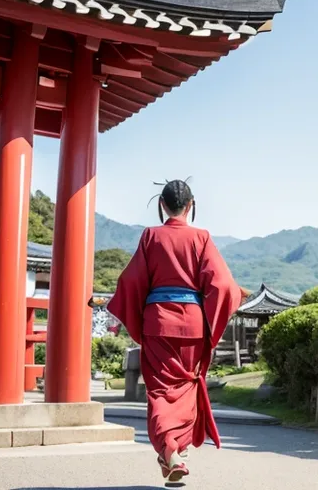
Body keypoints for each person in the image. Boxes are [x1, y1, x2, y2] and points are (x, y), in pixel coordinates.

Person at [105, 180, 244, 482]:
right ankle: (175, 453)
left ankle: (170, 451)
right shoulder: (202, 238)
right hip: (193, 325)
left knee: (160, 392)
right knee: (185, 389)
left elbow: (131, 282)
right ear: (190, 205)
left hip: (158, 323)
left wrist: (121, 307)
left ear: (162, 205)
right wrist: (235, 296)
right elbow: (221, 285)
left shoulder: (151, 236)